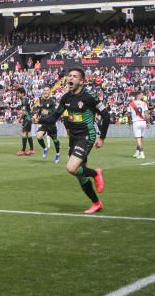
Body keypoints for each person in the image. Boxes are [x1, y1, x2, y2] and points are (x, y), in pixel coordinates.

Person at [37, 66, 111, 214]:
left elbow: (106, 116)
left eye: (74, 76)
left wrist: (101, 137)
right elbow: (54, 117)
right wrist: (40, 119)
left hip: (86, 136)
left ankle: (96, 173)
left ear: (82, 81)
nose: (70, 78)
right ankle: (96, 203)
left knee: (71, 168)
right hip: (74, 138)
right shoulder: (65, 98)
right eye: (69, 75)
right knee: (79, 175)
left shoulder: (90, 97)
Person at [35, 87, 61, 163]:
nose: (46, 92)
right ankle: (45, 148)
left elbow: (56, 112)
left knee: (55, 140)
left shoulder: (52, 101)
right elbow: (40, 109)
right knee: (39, 136)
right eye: (44, 90)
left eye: (47, 90)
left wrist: (48, 112)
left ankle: (57, 154)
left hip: (51, 123)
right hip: (43, 122)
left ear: (50, 92)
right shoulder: (41, 100)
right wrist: (37, 116)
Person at [127, 92, 148, 159]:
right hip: (143, 122)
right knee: (140, 139)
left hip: (136, 122)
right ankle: (137, 152)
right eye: (141, 95)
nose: (142, 96)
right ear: (138, 95)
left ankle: (142, 153)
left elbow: (129, 115)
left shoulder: (131, 104)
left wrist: (129, 121)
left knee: (138, 139)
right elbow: (147, 114)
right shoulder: (144, 103)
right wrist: (148, 122)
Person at [16, 88, 35, 156]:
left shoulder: (24, 100)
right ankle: (31, 150)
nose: (17, 95)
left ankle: (23, 150)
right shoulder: (26, 99)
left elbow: (24, 112)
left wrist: (19, 119)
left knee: (24, 134)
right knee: (28, 133)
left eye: (18, 93)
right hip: (29, 118)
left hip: (26, 119)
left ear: (22, 93)